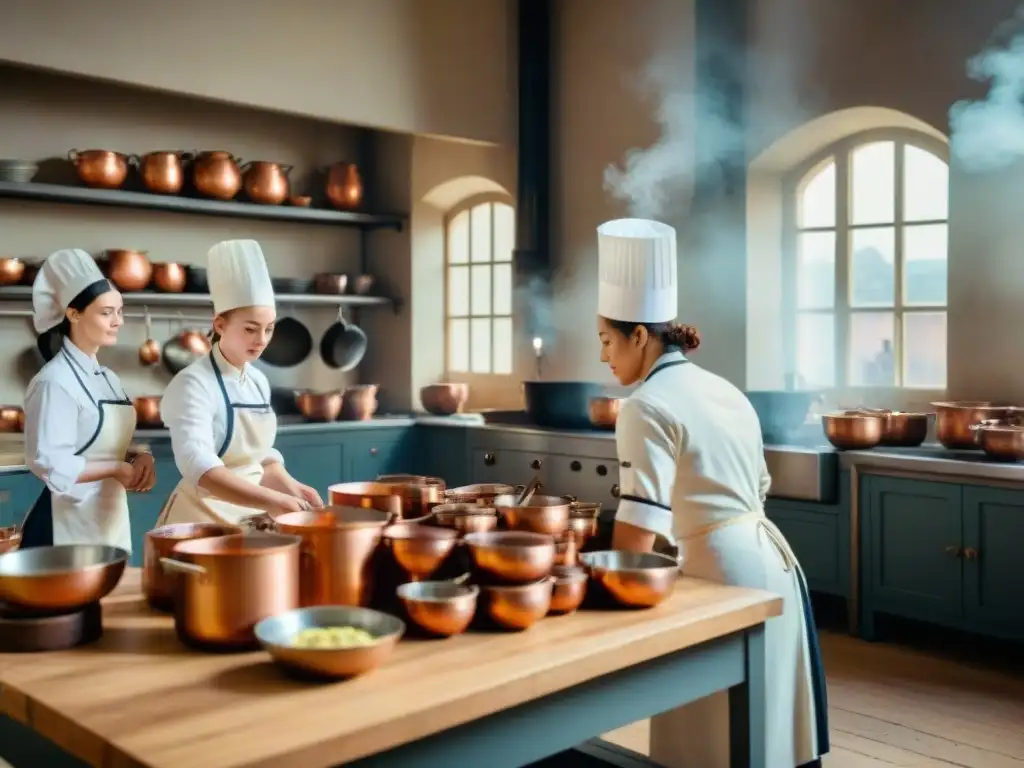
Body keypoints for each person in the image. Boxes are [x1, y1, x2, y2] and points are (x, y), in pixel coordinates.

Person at [595, 218, 829, 768]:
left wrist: (589, 584)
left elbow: (637, 533)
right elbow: (760, 486)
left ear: (637, 336)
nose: (603, 356)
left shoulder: (644, 407)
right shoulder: (723, 389)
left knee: (708, 745)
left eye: (606, 340)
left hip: (715, 576)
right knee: (768, 737)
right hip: (773, 567)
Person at [156, 239, 322, 526]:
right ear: (220, 325)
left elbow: (258, 460)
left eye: (269, 330)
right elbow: (200, 467)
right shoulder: (192, 384)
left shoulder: (257, 381)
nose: (261, 341)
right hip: (201, 520)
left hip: (248, 516)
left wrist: (291, 487)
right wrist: (273, 500)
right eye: (250, 329)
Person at [21, 248, 155, 551]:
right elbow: (51, 463)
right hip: (64, 528)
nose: (117, 321)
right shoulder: (53, 382)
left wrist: (138, 456)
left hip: (106, 517)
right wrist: (115, 469)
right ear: (74, 313)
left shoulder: (108, 379)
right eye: (106, 312)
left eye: (120, 311)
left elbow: (99, 441)